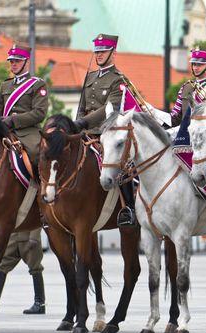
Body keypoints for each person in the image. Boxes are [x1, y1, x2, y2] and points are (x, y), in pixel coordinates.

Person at [0, 44, 48, 314]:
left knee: (35, 157)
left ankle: (44, 194)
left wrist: (12, 121)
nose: (12, 64)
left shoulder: (38, 85)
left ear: (26, 62)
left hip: (27, 134)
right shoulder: (5, 86)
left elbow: (39, 114)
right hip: (6, 132)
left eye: (17, 61)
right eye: (10, 61)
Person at [153, 47, 206, 233]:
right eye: (193, 63)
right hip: (184, 139)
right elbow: (175, 117)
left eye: (200, 64)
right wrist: (152, 111)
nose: (195, 67)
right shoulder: (186, 88)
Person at [75, 33, 136, 227]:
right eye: (97, 51)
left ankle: (128, 209)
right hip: (85, 131)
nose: (99, 55)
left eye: (103, 51)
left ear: (113, 53)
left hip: (106, 132)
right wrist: (77, 125)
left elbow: (109, 108)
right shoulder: (90, 76)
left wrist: (84, 122)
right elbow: (82, 106)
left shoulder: (118, 80)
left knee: (122, 163)